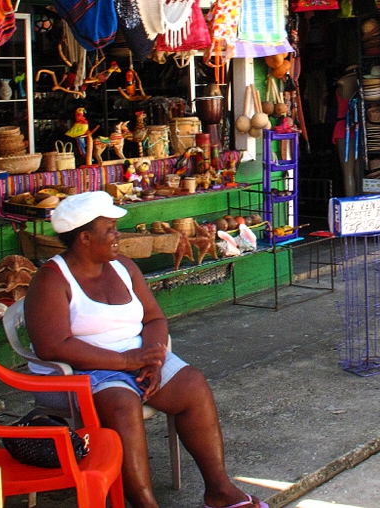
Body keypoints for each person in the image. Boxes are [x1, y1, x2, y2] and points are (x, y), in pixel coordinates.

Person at [24, 192, 266, 508]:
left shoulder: (123, 267)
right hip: (78, 369)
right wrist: (126, 361)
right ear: (84, 238)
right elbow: (52, 346)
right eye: (110, 229)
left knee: (193, 385)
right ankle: (144, 504)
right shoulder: (51, 279)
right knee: (123, 405)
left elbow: (153, 318)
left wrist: (153, 357)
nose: (117, 235)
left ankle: (219, 491)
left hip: (136, 357)